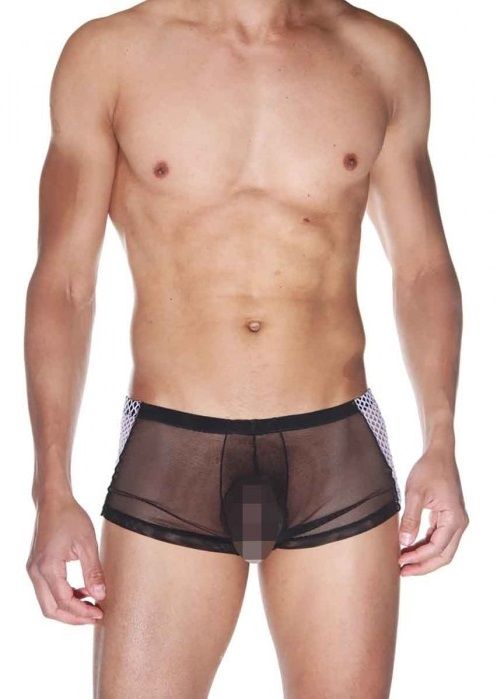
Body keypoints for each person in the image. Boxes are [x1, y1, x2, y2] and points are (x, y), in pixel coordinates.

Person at [24, 1, 469, 697]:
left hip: (334, 451)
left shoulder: (378, 55)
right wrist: (51, 489)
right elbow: (65, 285)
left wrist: (441, 442)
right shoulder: (109, 55)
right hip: (175, 452)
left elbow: (421, 267)